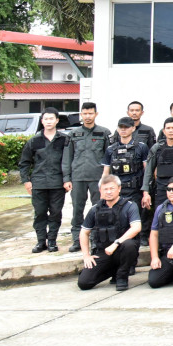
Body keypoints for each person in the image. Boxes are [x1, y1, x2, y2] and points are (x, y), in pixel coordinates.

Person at [76, 175, 142, 291]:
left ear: (119, 189)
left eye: (112, 188)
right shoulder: (95, 209)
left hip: (122, 250)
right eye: (105, 189)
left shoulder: (130, 206)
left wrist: (116, 243)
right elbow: (84, 232)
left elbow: (136, 228)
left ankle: (122, 276)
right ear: (100, 190)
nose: (109, 192)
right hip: (103, 252)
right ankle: (113, 271)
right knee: (84, 283)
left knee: (130, 244)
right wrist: (86, 255)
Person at [19, 107, 69, 253]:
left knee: (55, 213)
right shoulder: (34, 141)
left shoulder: (64, 140)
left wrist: (67, 179)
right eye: (46, 119)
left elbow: (69, 160)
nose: (48, 121)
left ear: (57, 120)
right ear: (42, 121)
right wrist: (26, 181)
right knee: (40, 213)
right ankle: (41, 242)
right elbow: (24, 162)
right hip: (39, 183)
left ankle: (52, 241)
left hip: (58, 183)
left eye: (51, 118)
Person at [63, 102, 112, 252]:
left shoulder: (104, 133)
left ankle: (96, 240)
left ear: (96, 114)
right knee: (77, 209)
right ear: (81, 115)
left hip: (98, 178)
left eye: (90, 113)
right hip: (78, 177)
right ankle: (77, 240)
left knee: (99, 208)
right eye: (85, 113)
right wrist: (67, 178)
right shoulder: (73, 134)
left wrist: (107, 179)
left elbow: (109, 157)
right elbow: (67, 157)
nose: (87, 116)